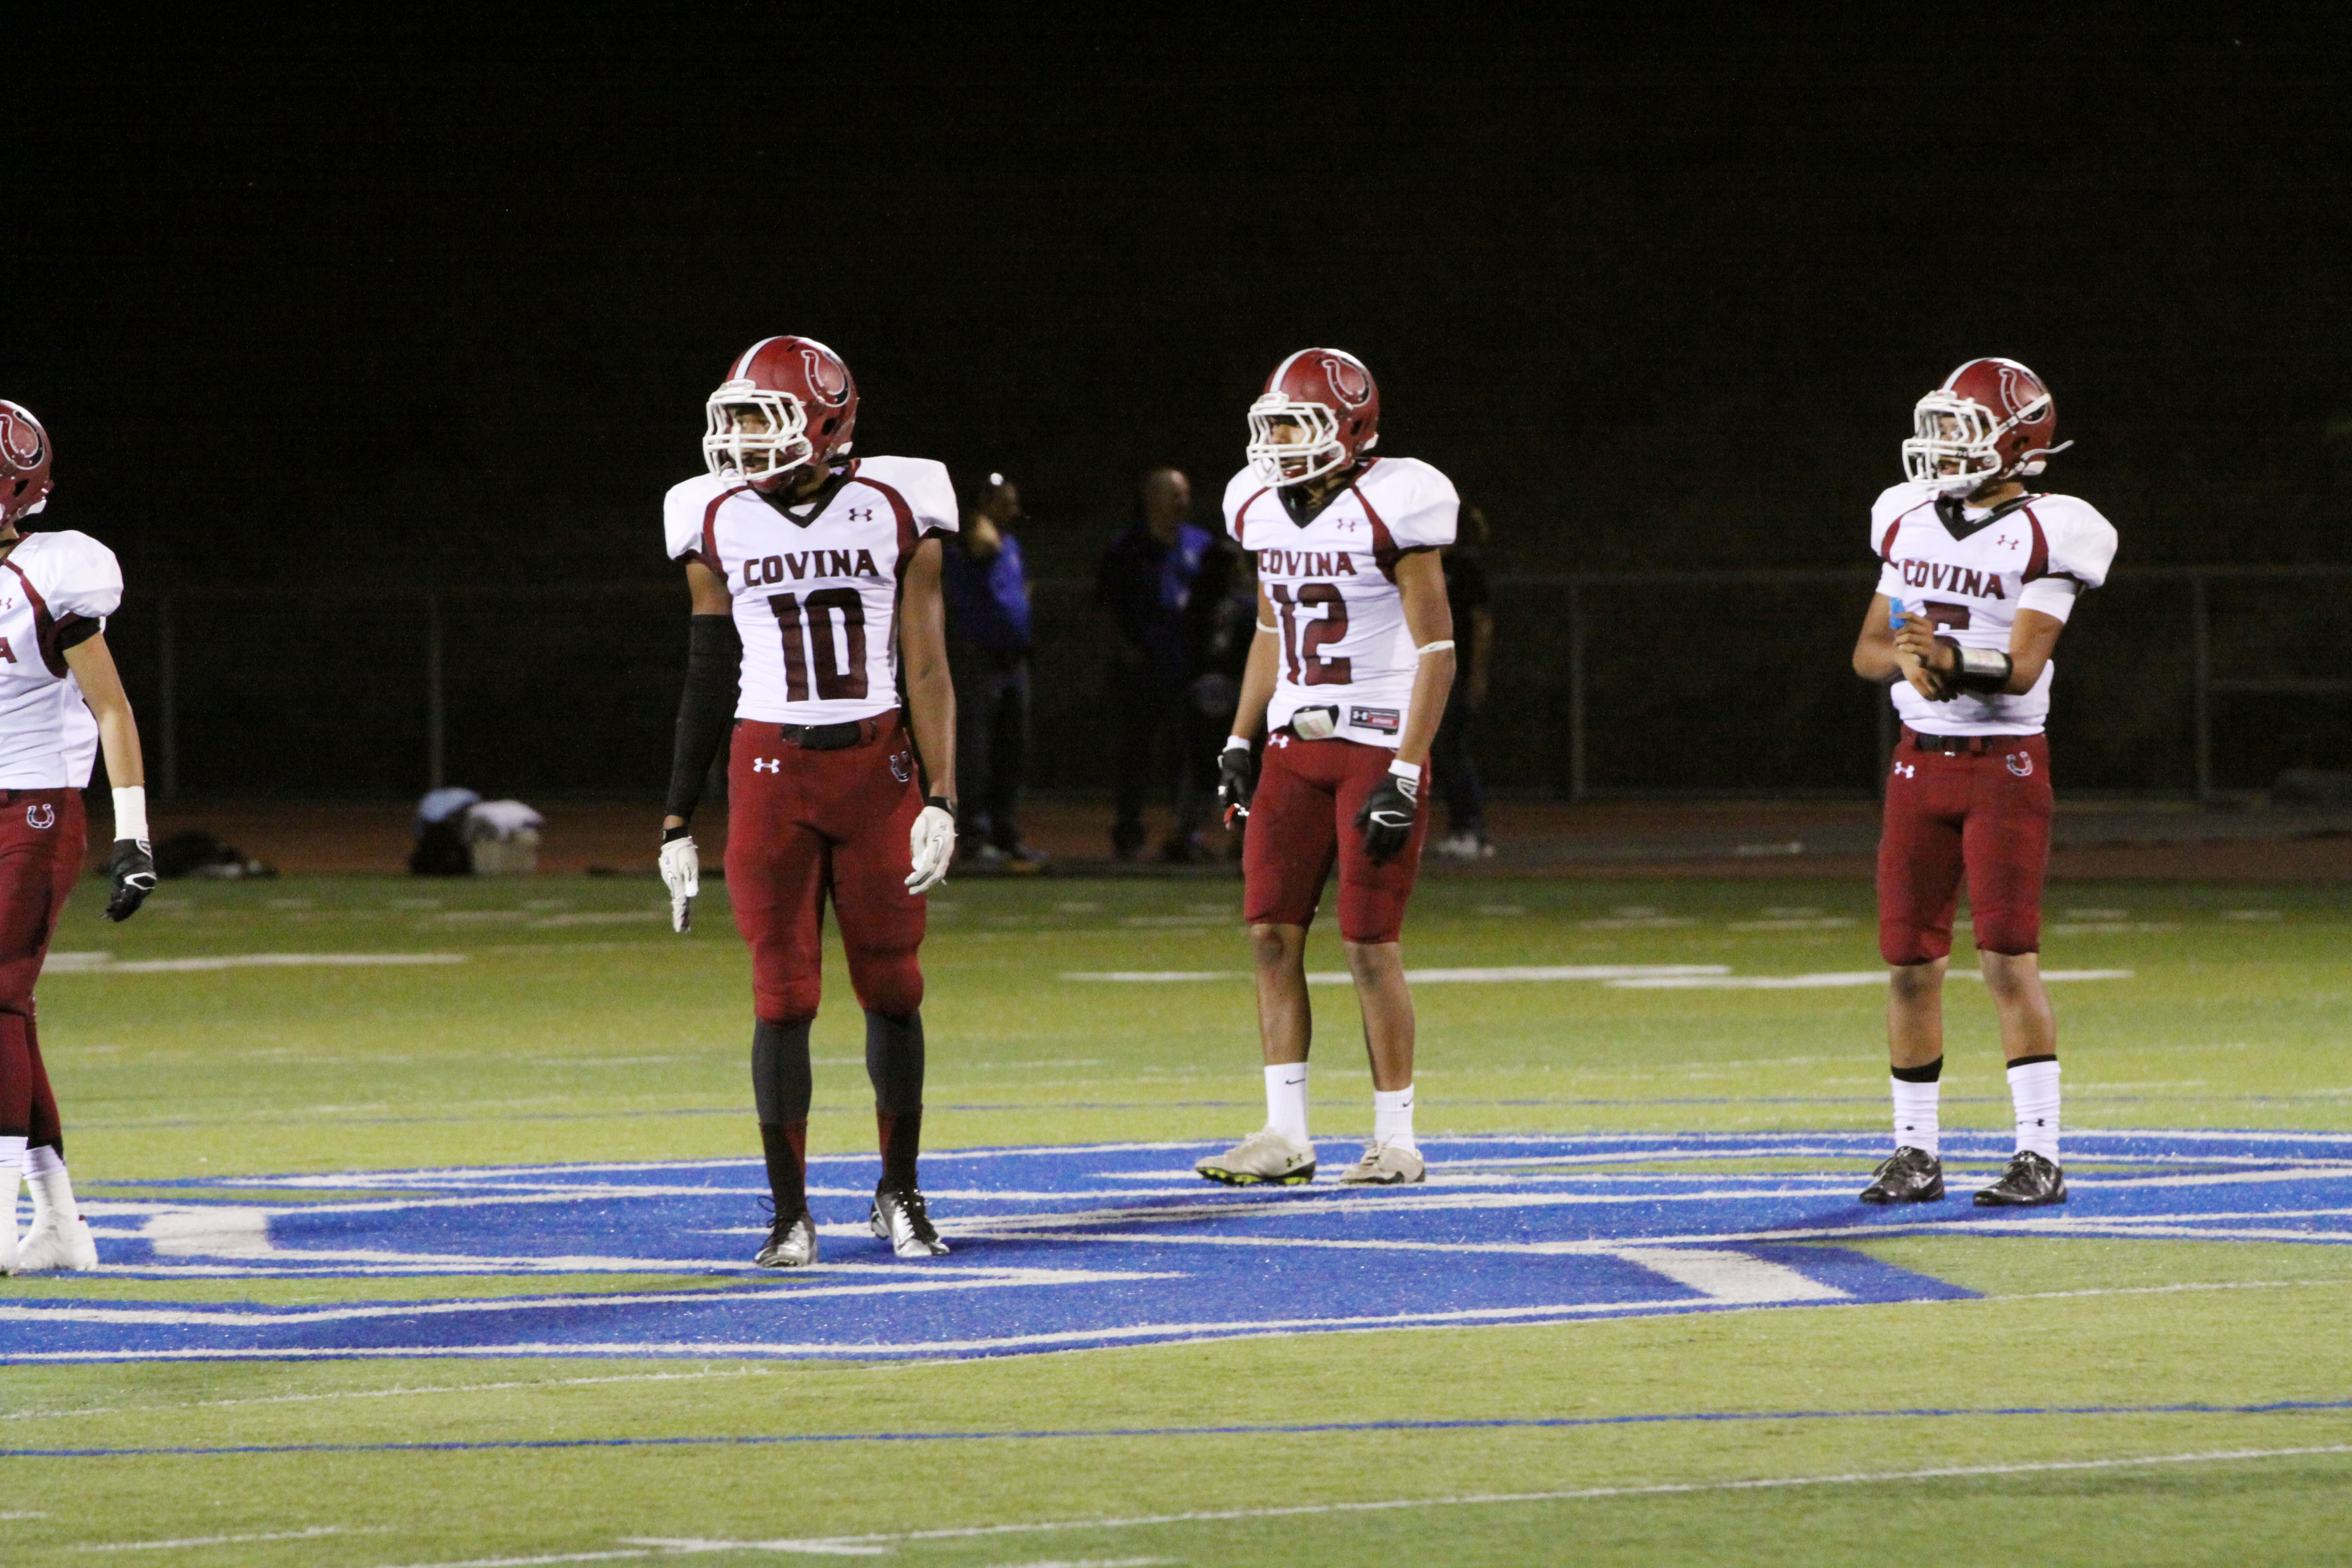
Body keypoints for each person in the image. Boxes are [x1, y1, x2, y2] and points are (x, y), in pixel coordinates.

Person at [656, 337, 960, 1266]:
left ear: (826, 422)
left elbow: (927, 662)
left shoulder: (898, 502)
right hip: (768, 771)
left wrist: (944, 795)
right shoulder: (711, 512)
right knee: (782, 995)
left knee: (893, 986)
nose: (744, 437)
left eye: (765, 416)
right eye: (737, 417)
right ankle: (790, 1213)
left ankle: (899, 1190)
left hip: (876, 766)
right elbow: (708, 670)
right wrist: (676, 817)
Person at [1850, 357, 2117, 1209]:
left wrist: (1950, 659)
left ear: (2017, 441)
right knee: (1907, 962)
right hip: (1917, 761)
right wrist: (1908, 659)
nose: (1940, 447)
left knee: (2006, 958)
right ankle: (1914, 1152)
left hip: (2003, 764)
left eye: (1960, 431)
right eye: (1938, 428)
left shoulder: (2051, 529)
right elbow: (1868, 649)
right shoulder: (1907, 517)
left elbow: (2024, 664)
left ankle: (2038, 1154)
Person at [1199, 348, 1458, 1187]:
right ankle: (1285, 1133)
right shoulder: (1258, 505)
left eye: (1295, 425)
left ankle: (1397, 1138)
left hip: (1375, 742)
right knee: (1270, 934)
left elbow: (1438, 651)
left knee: (1369, 944)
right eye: (1272, 425)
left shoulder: (1395, 503)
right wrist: (1240, 739)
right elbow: (1270, 630)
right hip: (1292, 746)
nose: (1277, 442)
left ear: (1349, 427)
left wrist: (1407, 771)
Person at [0, 401, 156, 1273]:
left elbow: (113, 708)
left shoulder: (54, 573)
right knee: (9, 1012)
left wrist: (135, 836)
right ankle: (59, 1220)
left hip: (36, 808)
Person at [1096, 468, 1214, 860]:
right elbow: (1105, 605)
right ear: (1151, 498)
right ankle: (1128, 832)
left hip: (1188, 667)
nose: (1182, 502)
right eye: (1173, 494)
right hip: (1142, 667)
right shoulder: (1126, 547)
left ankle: (1185, 834)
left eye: (1185, 494)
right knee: (1135, 752)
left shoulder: (1201, 545)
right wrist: (1124, 647)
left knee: (1188, 755)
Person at [942, 472, 1042, 865]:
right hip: (978, 660)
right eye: (1005, 503)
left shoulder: (1010, 544)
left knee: (1012, 752)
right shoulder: (969, 542)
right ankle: (974, 834)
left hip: (1013, 660)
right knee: (976, 752)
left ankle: (1004, 830)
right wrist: (977, 518)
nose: (1015, 511)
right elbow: (978, 543)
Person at [1432, 504, 1495, 860]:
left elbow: (1483, 623)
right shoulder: (1424, 563)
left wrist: (1478, 676)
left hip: (1456, 671)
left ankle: (1474, 830)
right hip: (1430, 672)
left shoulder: (1465, 567)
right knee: (1441, 752)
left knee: (1451, 748)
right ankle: (1460, 828)